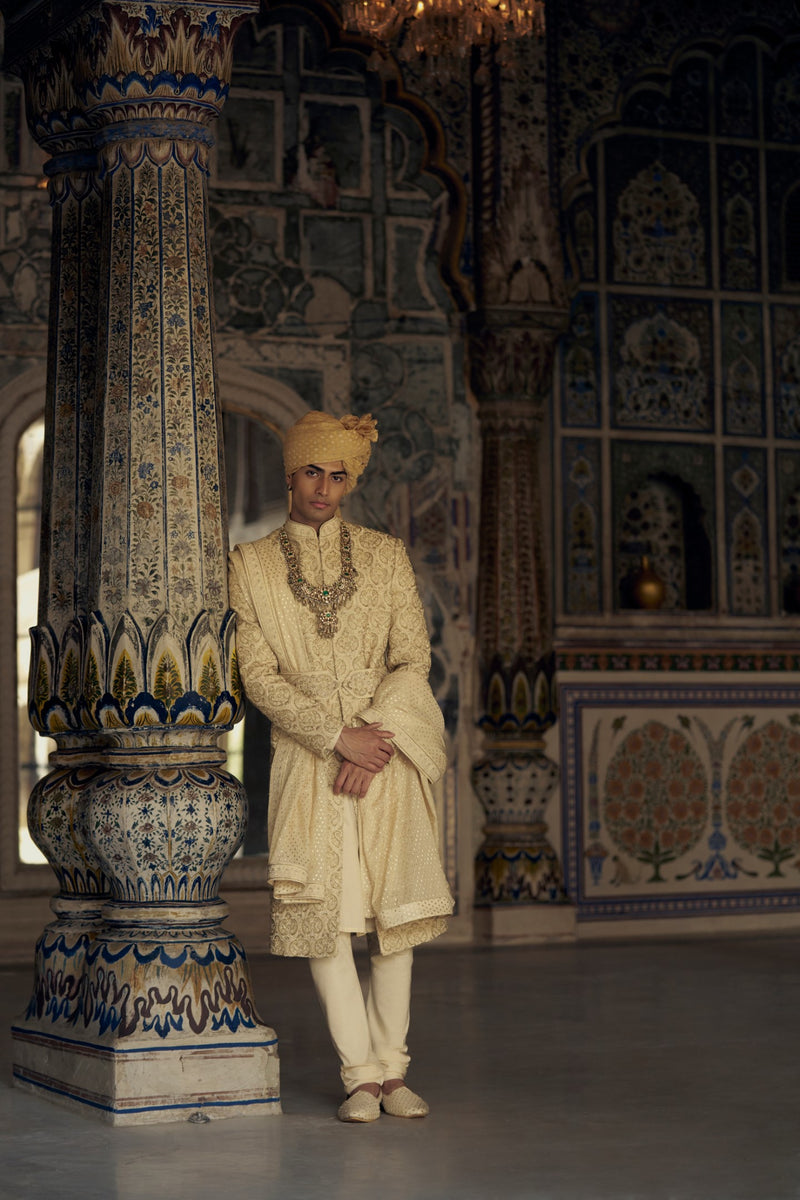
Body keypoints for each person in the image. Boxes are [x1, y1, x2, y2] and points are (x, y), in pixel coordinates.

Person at [228, 410, 453, 1123]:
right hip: (309, 760)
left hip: (387, 753)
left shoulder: (385, 556)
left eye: (338, 475)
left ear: (350, 482)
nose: (324, 487)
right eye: (312, 472)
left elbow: (412, 658)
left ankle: (395, 1073)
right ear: (290, 474)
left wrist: (374, 739)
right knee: (325, 916)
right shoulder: (250, 565)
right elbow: (259, 676)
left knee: (395, 918)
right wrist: (336, 739)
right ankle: (359, 1075)